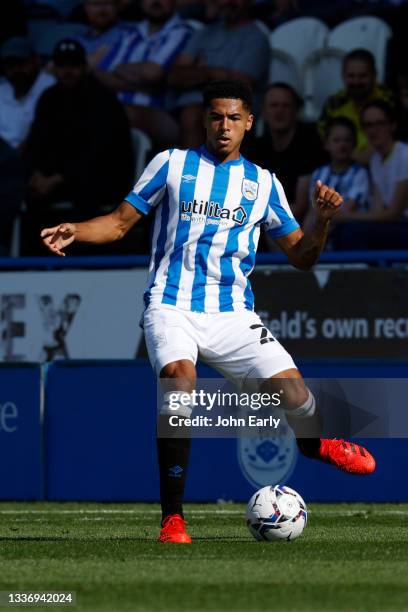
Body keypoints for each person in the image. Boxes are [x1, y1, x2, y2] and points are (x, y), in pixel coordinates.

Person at [40, 80, 376, 544]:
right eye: (216, 116)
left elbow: (302, 257)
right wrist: (75, 230)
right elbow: (119, 224)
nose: (224, 126)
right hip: (171, 304)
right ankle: (172, 519)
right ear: (204, 119)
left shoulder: (263, 184)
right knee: (179, 380)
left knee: (294, 394)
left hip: (233, 313)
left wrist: (322, 222)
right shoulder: (171, 165)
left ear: (249, 123)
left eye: (234, 118)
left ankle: (314, 442)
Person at [23, 39, 134, 255]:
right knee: (29, 192)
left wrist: (57, 178)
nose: (68, 71)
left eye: (73, 65)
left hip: (100, 176)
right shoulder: (49, 98)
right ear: (54, 68)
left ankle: (84, 262)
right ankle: (32, 263)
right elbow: (37, 143)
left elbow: (101, 153)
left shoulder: (103, 99)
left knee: (86, 194)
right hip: (57, 178)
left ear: (84, 67)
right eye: (63, 66)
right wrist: (37, 174)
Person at [91, 0, 193, 148]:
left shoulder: (182, 32)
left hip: (160, 113)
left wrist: (119, 69)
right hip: (114, 105)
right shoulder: (128, 33)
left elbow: (152, 74)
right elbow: (100, 75)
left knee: (113, 113)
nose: (155, 2)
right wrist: (144, 84)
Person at [168, 0, 270, 147]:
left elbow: (239, 86)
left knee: (192, 116)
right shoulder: (204, 33)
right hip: (176, 109)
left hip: (225, 114)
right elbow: (173, 76)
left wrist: (197, 71)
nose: (228, 2)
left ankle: (192, 170)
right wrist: (214, 74)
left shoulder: (256, 39)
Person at [331, 100, 408, 250]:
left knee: (352, 232)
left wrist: (344, 216)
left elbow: (393, 213)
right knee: (341, 231)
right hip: (396, 225)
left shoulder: (404, 155)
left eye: (379, 123)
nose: (373, 130)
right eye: (368, 125)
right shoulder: (376, 160)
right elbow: (378, 210)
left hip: (403, 224)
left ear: (392, 125)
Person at [246, 82, 326, 223]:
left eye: (286, 105)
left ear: (296, 110)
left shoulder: (310, 144)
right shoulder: (255, 147)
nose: (279, 111)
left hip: (295, 222)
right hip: (262, 220)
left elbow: (301, 206)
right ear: (264, 111)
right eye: (274, 105)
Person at [319, 49, 394, 164]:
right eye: (351, 76)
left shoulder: (389, 100)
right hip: (343, 167)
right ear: (343, 76)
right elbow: (324, 142)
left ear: (375, 76)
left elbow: (392, 140)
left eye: (362, 76)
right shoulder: (334, 104)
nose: (356, 81)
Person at [300, 117, 370, 236]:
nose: (342, 144)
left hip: (348, 232)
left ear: (354, 144)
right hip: (321, 231)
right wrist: (303, 239)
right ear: (326, 144)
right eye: (337, 140)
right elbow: (312, 211)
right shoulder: (319, 173)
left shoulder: (360, 173)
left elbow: (347, 211)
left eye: (347, 140)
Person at [0, 37, 55, 151]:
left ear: (36, 60)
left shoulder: (51, 88)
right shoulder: (2, 90)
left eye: (21, 63)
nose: (15, 70)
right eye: (10, 65)